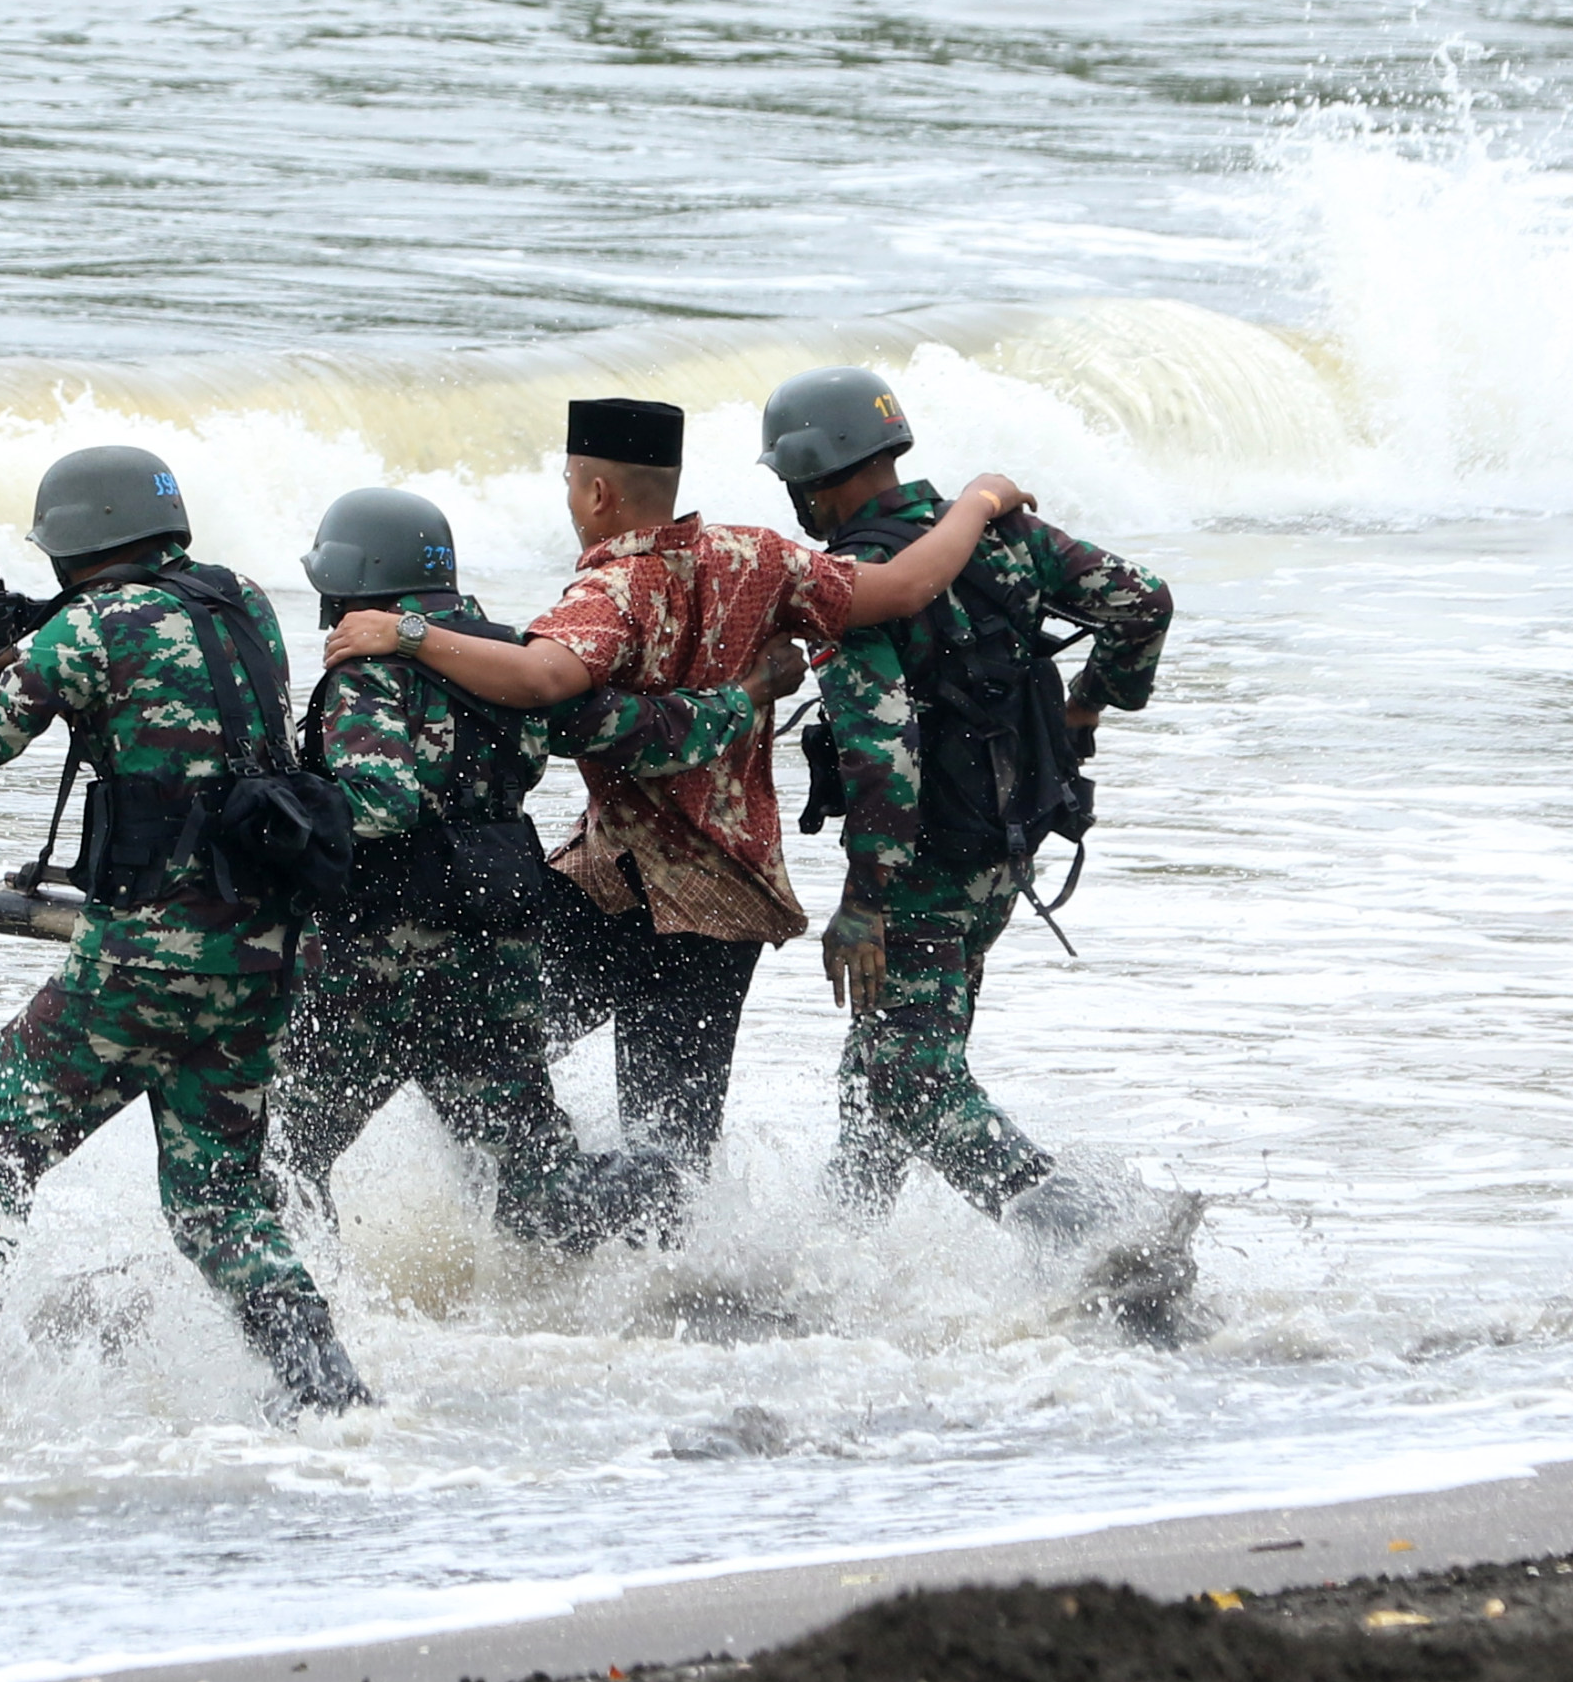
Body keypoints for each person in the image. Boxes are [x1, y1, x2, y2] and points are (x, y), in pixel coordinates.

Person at [319, 397, 1031, 1232]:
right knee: (667, 1147)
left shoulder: (606, 591)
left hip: (615, 888)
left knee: (483, 1077)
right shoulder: (760, 557)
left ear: (595, 495)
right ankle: (651, 1286)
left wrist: (403, 633)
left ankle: (531, 1268)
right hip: (718, 899)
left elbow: (543, 682)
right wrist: (979, 499)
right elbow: (909, 584)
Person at [0, 444, 371, 1418]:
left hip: (144, 956)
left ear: (72, 540)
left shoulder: (92, 625)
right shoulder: (240, 602)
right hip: (255, 947)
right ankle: (327, 1393)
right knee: (218, 1205)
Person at [758, 366, 1193, 1294]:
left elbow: (883, 754)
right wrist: (1092, 706)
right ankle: (840, 1263)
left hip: (919, 866)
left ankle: (1093, 1239)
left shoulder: (853, 585)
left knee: (912, 1082)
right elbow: (1142, 600)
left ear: (814, 475)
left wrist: (864, 902)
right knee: (882, 1063)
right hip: (1008, 847)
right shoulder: (1008, 540)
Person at [279, 486, 803, 1253]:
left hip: (374, 965)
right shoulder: (510, 668)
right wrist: (745, 695)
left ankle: (322, 1303)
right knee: (538, 1183)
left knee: (284, 1152)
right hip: (497, 955)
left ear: (350, 583)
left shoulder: (367, 675)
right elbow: (652, 735)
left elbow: (380, 802)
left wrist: (267, 831)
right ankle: (667, 1197)